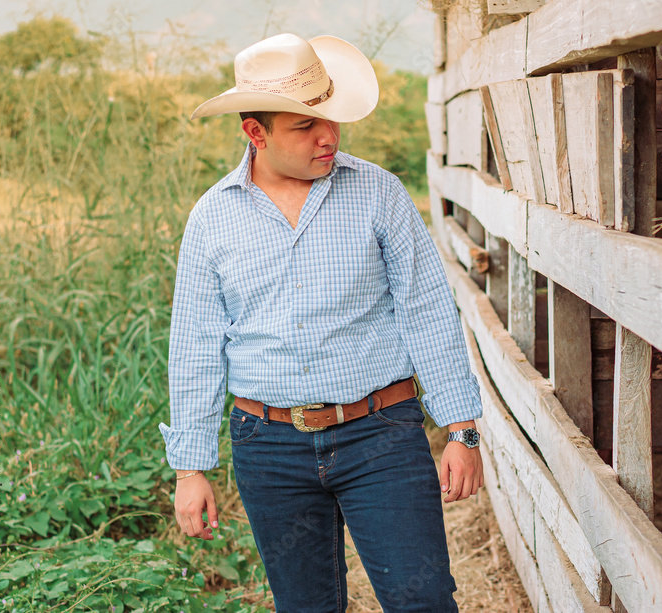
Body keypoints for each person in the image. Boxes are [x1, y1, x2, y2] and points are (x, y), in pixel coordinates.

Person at [157, 33, 484, 613]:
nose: (327, 135)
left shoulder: (378, 193)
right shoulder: (212, 219)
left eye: (328, 117)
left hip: (381, 433)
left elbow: (427, 308)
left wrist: (462, 431)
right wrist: (191, 468)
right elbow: (196, 347)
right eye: (303, 126)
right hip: (268, 445)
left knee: (425, 601)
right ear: (255, 133)